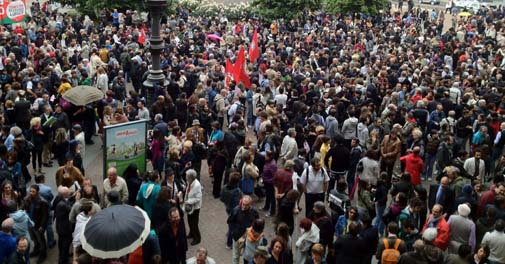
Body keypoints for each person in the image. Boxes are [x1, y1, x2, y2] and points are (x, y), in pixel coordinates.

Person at [228, 195, 260, 264]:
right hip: (237, 237)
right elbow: (230, 221)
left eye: (246, 205)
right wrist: (233, 232)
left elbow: (257, 222)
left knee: (247, 256)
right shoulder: (236, 210)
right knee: (236, 256)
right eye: (243, 204)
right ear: (242, 202)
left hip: (249, 237)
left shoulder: (254, 212)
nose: (244, 206)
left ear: (250, 205)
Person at [24, 184, 49, 264]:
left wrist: (42, 226)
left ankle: (43, 254)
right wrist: (26, 201)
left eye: (33, 191)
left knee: (41, 240)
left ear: (37, 192)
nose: (31, 193)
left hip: (38, 225)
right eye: (30, 191)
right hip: (30, 223)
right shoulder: (28, 199)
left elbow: (45, 215)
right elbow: (24, 208)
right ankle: (36, 249)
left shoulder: (42, 201)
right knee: (33, 238)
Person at [53, 186, 73, 264]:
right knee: (65, 245)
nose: (70, 193)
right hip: (65, 228)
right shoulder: (62, 204)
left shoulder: (58, 199)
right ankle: (63, 260)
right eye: (68, 193)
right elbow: (71, 209)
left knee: (61, 243)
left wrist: (72, 197)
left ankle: (64, 256)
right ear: (65, 195)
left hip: (59, 227)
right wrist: (77, 200)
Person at [185, 169, 202, 245]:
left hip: (195, 207)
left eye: (187, 176)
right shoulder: (189, 182)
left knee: (194, 223)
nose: (186, 177)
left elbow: (198, 198)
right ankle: (191, 233)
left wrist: (189, 201)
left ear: (191, 177)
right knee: (189, 220)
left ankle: (197, 238)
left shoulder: (197, 185)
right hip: (189, 206)